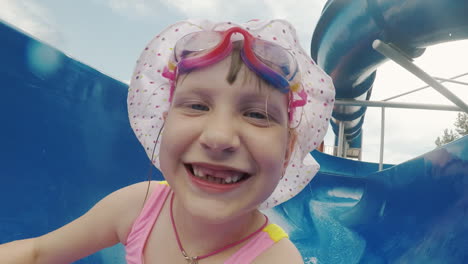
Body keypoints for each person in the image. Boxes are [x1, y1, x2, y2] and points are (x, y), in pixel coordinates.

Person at [0, 19, 334, 263]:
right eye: (197, 106)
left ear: (289, 150)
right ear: (163, 120)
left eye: (257, 115)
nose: (218, 137)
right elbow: (36, 253)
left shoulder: (274, 259)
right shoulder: (138, 206)